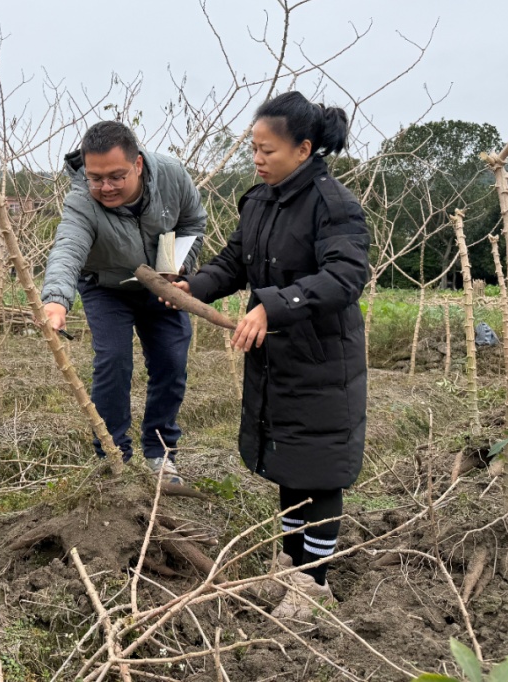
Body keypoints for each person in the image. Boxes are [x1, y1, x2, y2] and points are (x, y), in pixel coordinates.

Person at [174, 91, 369, 620]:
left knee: (318, 469)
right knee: (288, 461)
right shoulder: (259, 200)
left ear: (304, 149)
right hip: (275, 357)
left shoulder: (334, 204)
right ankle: (291, 565)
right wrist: (191, 285)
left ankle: (314, 583)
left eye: (268, 151)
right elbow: (235, 261)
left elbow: (346, 276)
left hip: (323, 360)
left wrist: (272, 307)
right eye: (254, 150)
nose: (258, 160)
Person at [41, 120, 206, 480]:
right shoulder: (82, 200)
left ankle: (161, 452)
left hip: (161, 283)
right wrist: (55, 299)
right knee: (113, 362)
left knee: (172, 361)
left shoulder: (172, 176)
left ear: (138, 165)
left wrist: (171, 272)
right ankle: (113, 456)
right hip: (106, 286)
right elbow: (68, 248)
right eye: (96, 177)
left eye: (116, 176)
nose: (105, 187)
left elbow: (193, 222)